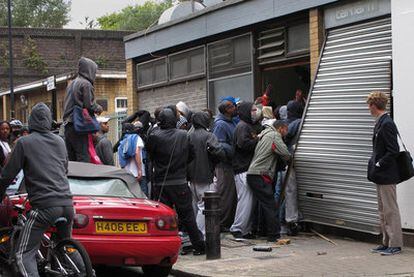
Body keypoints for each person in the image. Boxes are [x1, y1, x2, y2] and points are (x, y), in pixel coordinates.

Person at [0, 103, 73, 277]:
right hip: (67, 204)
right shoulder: (60, 141)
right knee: (67, 248)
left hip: (45, 206)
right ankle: (85, 270)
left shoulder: (24, 142)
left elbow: (8, 174)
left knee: (23, 254)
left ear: (31, 121)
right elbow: (64, 169)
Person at [147, 107, 205, 255]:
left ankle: (160, 247)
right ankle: (199, 245)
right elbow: (192, 155)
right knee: (188, 216)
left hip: (161, 183)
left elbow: (150, 157)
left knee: (161, 218)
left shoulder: (154, 136)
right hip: (179, 182)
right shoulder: (184, 135)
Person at [367, 91, 403, 256]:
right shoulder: (381, 122)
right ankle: (386, 242)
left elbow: (393, 150)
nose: (368, 109)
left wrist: (380, 163)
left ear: (374, 106)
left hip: (387, 174)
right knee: (382, 210)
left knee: (390, 210)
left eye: (369, 105)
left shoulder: (387, 123)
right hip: (381, 175)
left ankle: (395, 244)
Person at [246, 120, 291, 242]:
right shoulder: (274, 135)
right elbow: (285, 153)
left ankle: (263, 230)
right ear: (281, 128)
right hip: (261, 174)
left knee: (264, 204)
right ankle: (273, 235)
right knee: (270, 205)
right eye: (286, 130)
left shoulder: (264, 134)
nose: (286, 133)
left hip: (253, 173)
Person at [188, 111, 225, 237]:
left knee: (195, 206)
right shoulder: (209, 136)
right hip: (205, 175)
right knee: (204, 207)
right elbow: (219, 152)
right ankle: (200, 236)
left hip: (190, 177)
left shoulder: (189, 136)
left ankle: (193, 235)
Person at [62, 57, 102, 162]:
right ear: (90, 70)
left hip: (67, 126)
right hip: (78, 126)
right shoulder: (86, 84)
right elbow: (89, 105)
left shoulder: (71, 84)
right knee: (83, 157)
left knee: (72, 159)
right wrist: (99, 108)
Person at [230, 102, 259, 239]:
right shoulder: (243, 127)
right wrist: (258, 140)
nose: (255, 112)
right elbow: (243, 144)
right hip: (242, 168)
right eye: (253, 110)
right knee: (245, 199)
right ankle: (238, 228)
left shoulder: (246, 126)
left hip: (245, 168)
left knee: (249, 200)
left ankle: (245, 230)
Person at [212, 98, 238, 231]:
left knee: (231, 194)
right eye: (233, 107)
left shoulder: (230, 122)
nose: (235, 108)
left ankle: (227, 221)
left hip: (230, 164)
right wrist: (232, 149)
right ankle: (222, 223)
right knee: (225, 194)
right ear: (228, 110)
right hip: (224, 164)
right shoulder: (221, 125)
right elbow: (218, 144)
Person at [118, 122, 148, 196]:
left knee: (132, 197)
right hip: (138, 174)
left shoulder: (122, 142)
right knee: (143, 197)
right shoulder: (136, 138)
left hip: (128, 174)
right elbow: (137, 152)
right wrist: (140, 170)